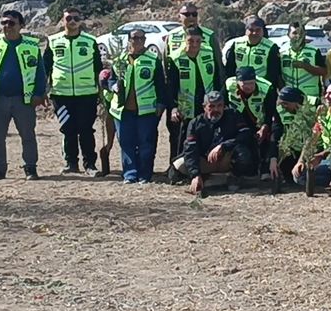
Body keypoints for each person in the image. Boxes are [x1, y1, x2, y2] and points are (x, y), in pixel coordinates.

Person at [0, 9, 47, 180]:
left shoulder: (31, 45)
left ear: (21, 25)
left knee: (28, 136)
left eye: (12, 23)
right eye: (4, 23)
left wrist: (39, 93)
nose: (7, 26)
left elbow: (40, 72)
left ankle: (30, 168)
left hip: (24, 99)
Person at [43, 6, 102, 174]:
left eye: (76, 18)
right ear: (63, 21)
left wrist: (102, 93)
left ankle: (90, 164)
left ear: (81, 21)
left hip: (87, 95)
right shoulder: (53, 41)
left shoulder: (90, 41)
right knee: (68, 129)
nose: (73, 21)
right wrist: (43, 92)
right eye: (69, 18)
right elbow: (45, 68)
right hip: (61, 95)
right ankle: (71, 164)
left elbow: (98, 68)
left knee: (86, 129)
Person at [109, 28, 169, 184]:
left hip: (147, 110)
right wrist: (112, 86)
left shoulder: (152, 59)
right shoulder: (119, 60)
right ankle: (130, 174)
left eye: (142, 38)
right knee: (126, 143)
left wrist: (161, 104)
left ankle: (145, 174)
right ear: (129, 40)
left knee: (146, 144)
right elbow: (110, 79)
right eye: (135, 38)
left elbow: (160, 85)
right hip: (123, 110)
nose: (138, 41)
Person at [165, 27, 221, 179]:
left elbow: (217, 78)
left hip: (207, 106)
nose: (194, 44)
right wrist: (173, 107)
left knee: (205, 137)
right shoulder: (175, 58)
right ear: (185, 40)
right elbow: (170, 86)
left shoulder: (209, 53)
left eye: (198, 41)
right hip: (185, 107)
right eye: (191, 41)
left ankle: (203, 170)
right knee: (183, 140)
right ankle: (179, 171)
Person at [174, 91, 256, 195]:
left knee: (243, 153)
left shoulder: (233, 116)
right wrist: (195, 174)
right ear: (204, 107)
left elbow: (245, 135)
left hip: (226, 159)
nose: (216, 109)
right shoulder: (195, 123)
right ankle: (204, 179)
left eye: (219, 105)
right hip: (206, 160)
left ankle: (233, 177)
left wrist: (224, 146)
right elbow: (190, 149)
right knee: (179, 165)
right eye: (211, 106)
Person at [293, 82, 331, 197]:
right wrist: (300, 161)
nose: (326, 96)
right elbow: (312, 139)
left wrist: (321, 155)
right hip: (327, 158)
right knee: (299, 176)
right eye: (326, 93)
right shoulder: (323, 113)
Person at [225, 66, 279, 177]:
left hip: (257, 119)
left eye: (251, 83)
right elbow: (223, 102)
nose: (249, 87)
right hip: (236, 118)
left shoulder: (266, 88)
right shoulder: (229, 85)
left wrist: (265, 125)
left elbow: (271, 110)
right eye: (245, 84)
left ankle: (264, 169)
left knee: (263, 140)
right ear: (238, 82)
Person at [225, 15, 282, 89]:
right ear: (246, 31)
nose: (254, 33)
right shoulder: (237, 44)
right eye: (251, 30)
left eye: (258, 30)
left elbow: (274, 73)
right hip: (240, 86)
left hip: (262, 88)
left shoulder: (271, 47)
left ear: (262, 31)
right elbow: (230, 68)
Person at [280, 22, 326, 105]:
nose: (298, 36)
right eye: (294, 33)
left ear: (305, 34)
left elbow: (323, 71)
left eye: (301, 33)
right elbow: (278, 75)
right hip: (289, 99)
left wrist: (304, 66)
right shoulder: (282, 52)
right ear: (288, 35)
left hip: (310, 97)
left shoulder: (314, 51)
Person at [165, 3, 220, 71]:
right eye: (187, 14)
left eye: (194, 14)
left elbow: (218, 63)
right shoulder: (171, 36)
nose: (191, 17)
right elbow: (166, 63)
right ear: (179, 16)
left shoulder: (209, 35)